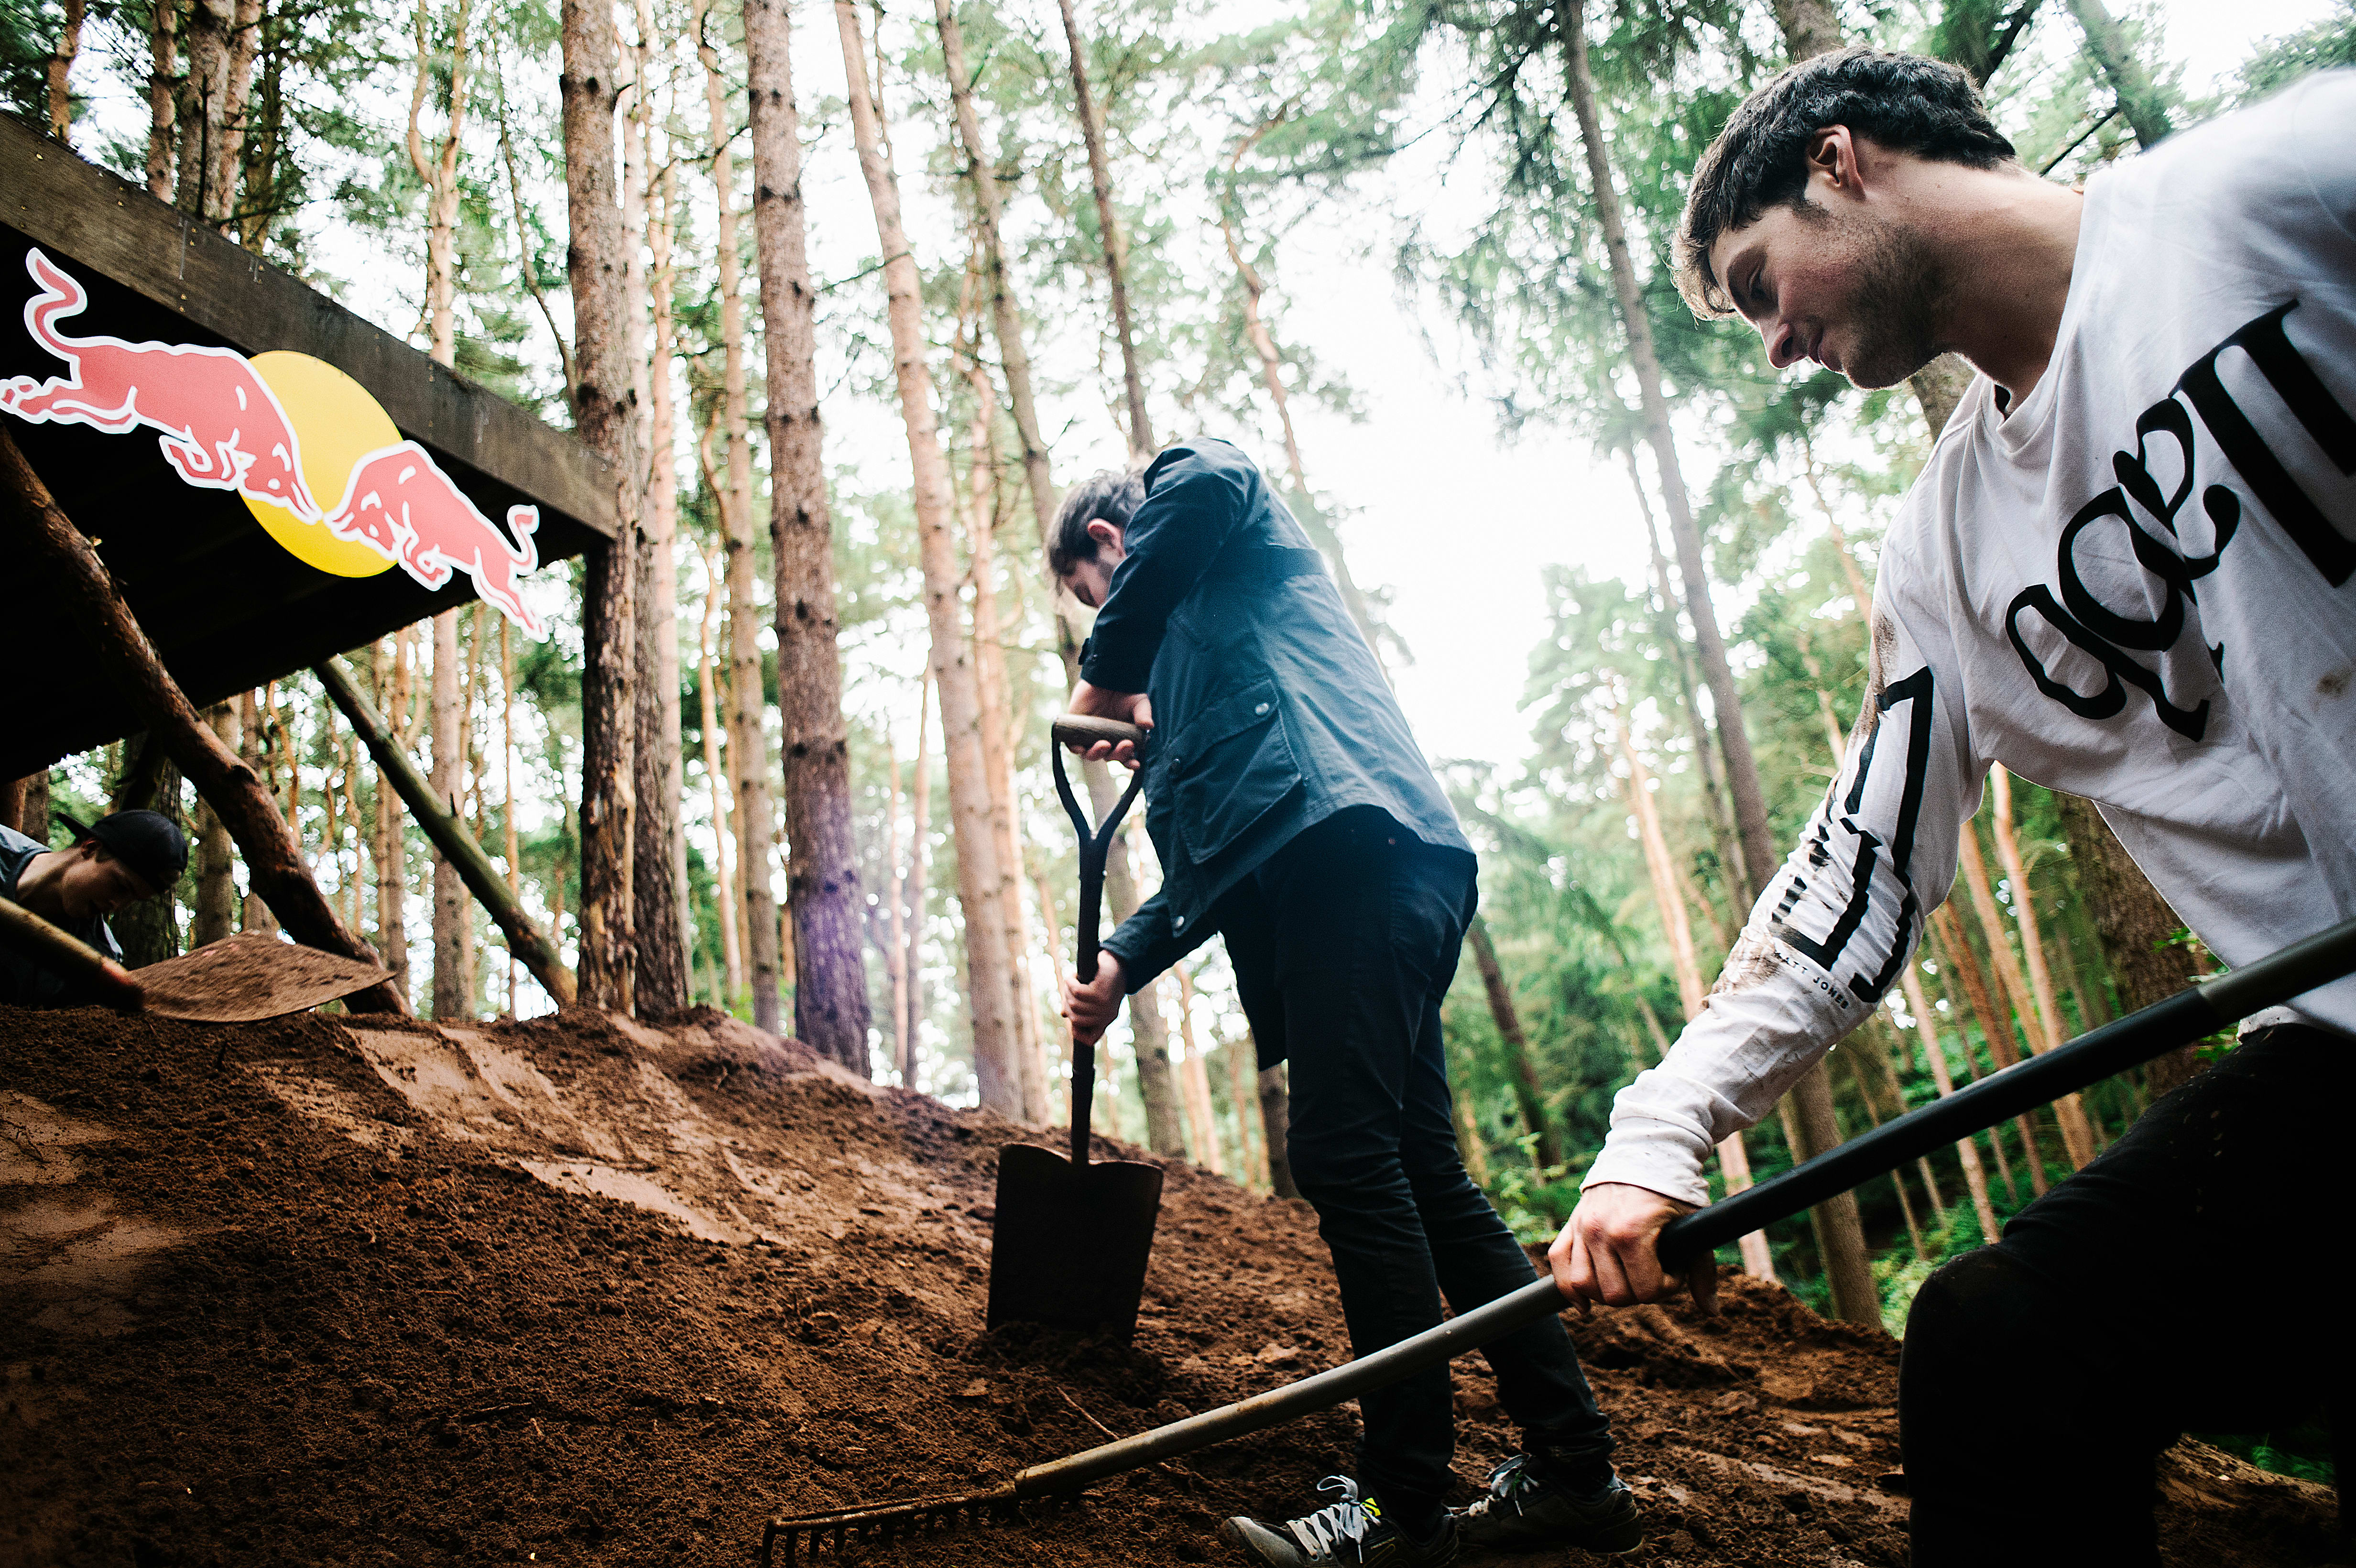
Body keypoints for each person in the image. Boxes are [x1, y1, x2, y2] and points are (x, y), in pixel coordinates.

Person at [1553, 48, 2356, 1567]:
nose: (1774, 338)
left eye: (1757, 277)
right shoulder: (1944, 549)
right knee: (2003, 1346)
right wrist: (1658, 1130)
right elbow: (1856, 872)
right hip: (2330, 1055)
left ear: (1839, 161)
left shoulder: (2257, 198)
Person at [1053, 438, 1641, 1567]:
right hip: (1362, 872)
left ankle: (1400, 1506)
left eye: (1096, 597)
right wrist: (1126, 958)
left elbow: (1211, 475)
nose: (1111, 634)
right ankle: (1577, 1469)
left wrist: (1105, 668)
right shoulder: (1182, 686)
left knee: (1344, 1153)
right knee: (1425, 1171)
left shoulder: (1213, 524)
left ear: (1110, 547)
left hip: (1357, 862)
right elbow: (1221, 859)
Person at [0, 808, 186, 1005]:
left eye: (133, 900)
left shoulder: (94, 961)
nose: (117, 906)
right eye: (121, 887)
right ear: (90, 848)